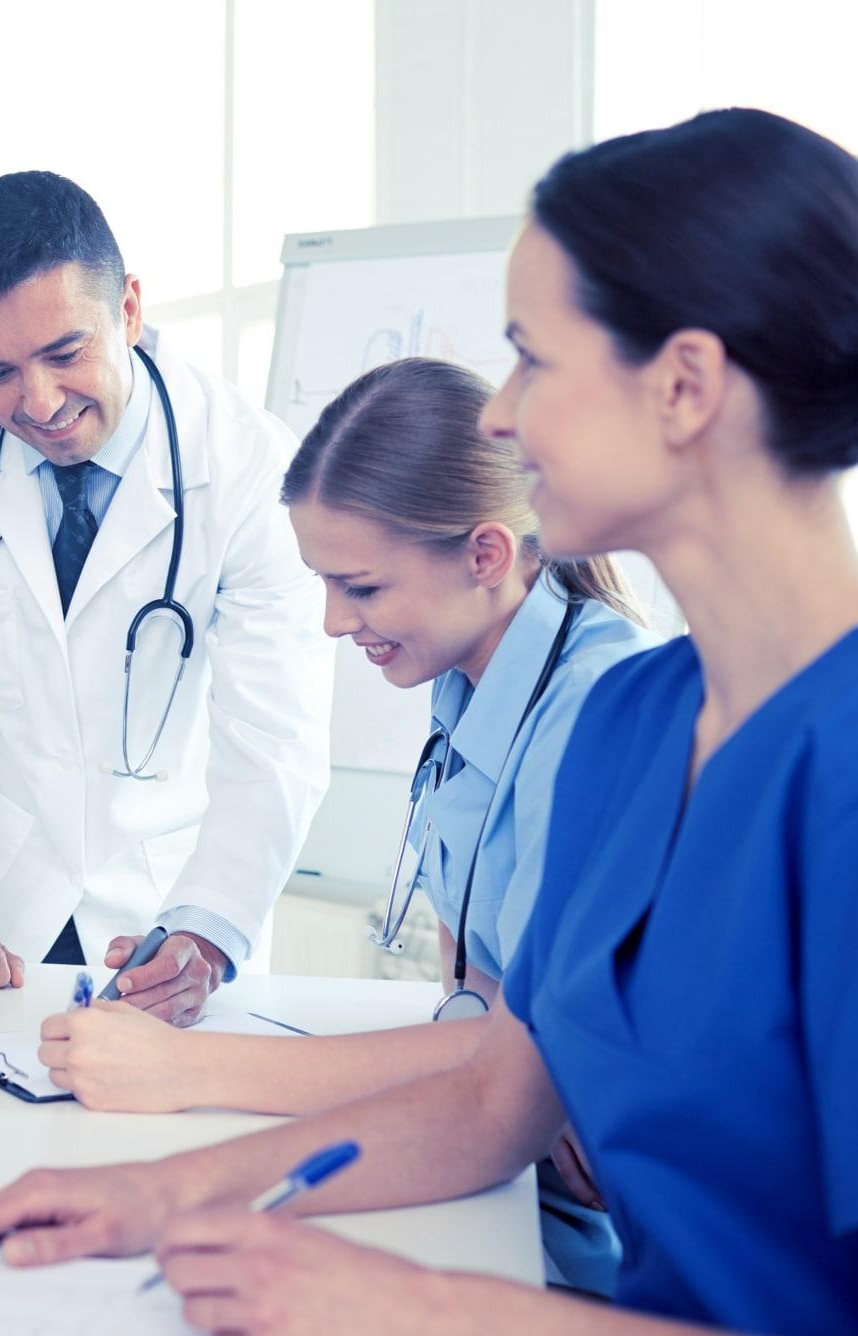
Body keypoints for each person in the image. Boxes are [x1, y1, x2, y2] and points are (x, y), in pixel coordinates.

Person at [0, 109, 858, 1335]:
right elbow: (484, 1110)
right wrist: (146, 1194)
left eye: (530, 358)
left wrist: (410, 1305)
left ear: (682, 385)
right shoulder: (634, 720)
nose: (499, 419)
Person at [35, 355, 656, 1295]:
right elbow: (485, 995)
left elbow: (507, 1058)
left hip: (602, 1235)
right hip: (511, 1178)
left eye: (360, 588)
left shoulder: (594, 713)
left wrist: (187, 1069)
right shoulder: (471, 677)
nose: (332, 621)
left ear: (486, 555)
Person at [0, 170, 334, 1022]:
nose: (38, 403)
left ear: (130, 311)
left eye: (65, 354)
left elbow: (276, 728)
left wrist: (211, 927)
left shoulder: (248, 458)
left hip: (171, 900)